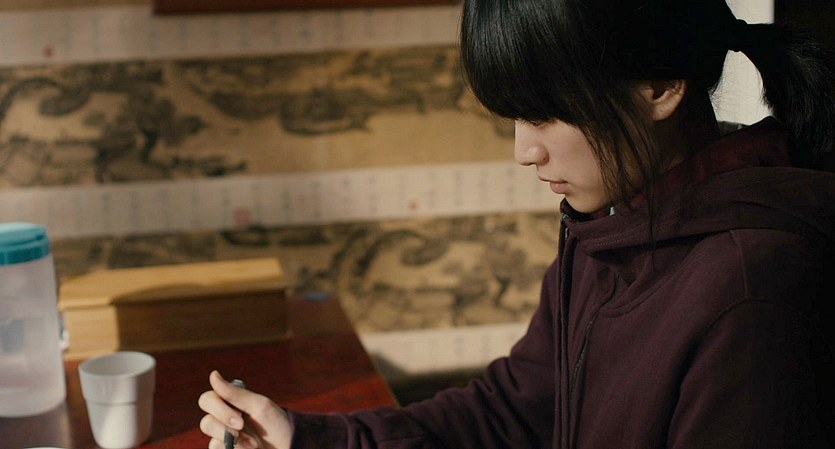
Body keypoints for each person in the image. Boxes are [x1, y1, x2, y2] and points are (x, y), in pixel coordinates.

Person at [198, 0, 835, 447]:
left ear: (661, 86)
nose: (524, 151)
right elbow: (514, 412)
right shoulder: (612, 227)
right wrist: (307, 439)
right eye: (515, 118)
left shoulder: (750, 292)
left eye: (545, 115)